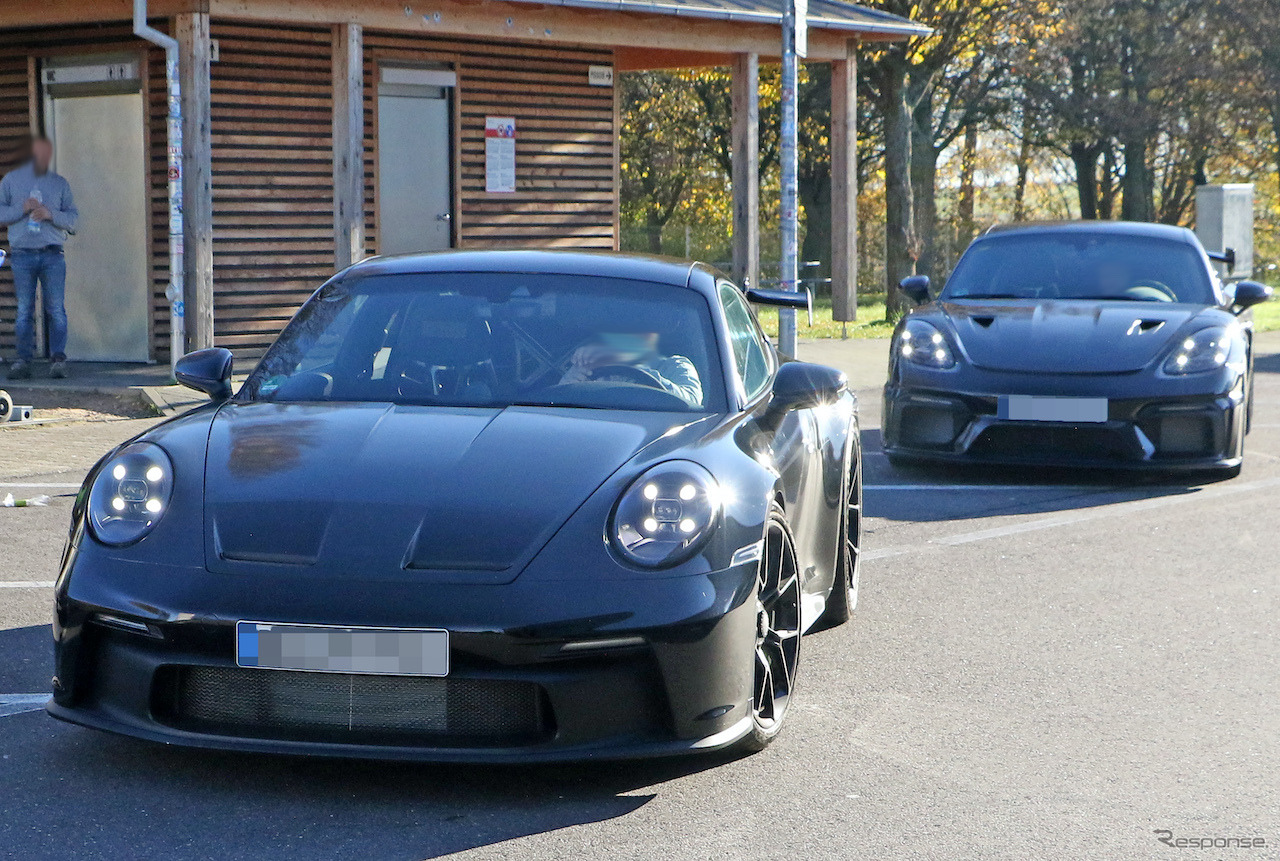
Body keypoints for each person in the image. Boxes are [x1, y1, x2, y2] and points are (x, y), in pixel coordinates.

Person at [0, 136, 78, 379]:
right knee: (24, 310)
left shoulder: (59, 184)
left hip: (52, 255)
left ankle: (58, 360)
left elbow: (74, 221)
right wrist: (21, 209)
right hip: (22, 255)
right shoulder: (11, 181)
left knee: (56, 309)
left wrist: (50, 213)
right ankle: (23, 360)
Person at [561, 331, 703, 408]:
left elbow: (691, 402)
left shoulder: (675, 365)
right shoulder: (592, 365)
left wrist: (632, 368)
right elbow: (560, 410)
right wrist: (569, 384)